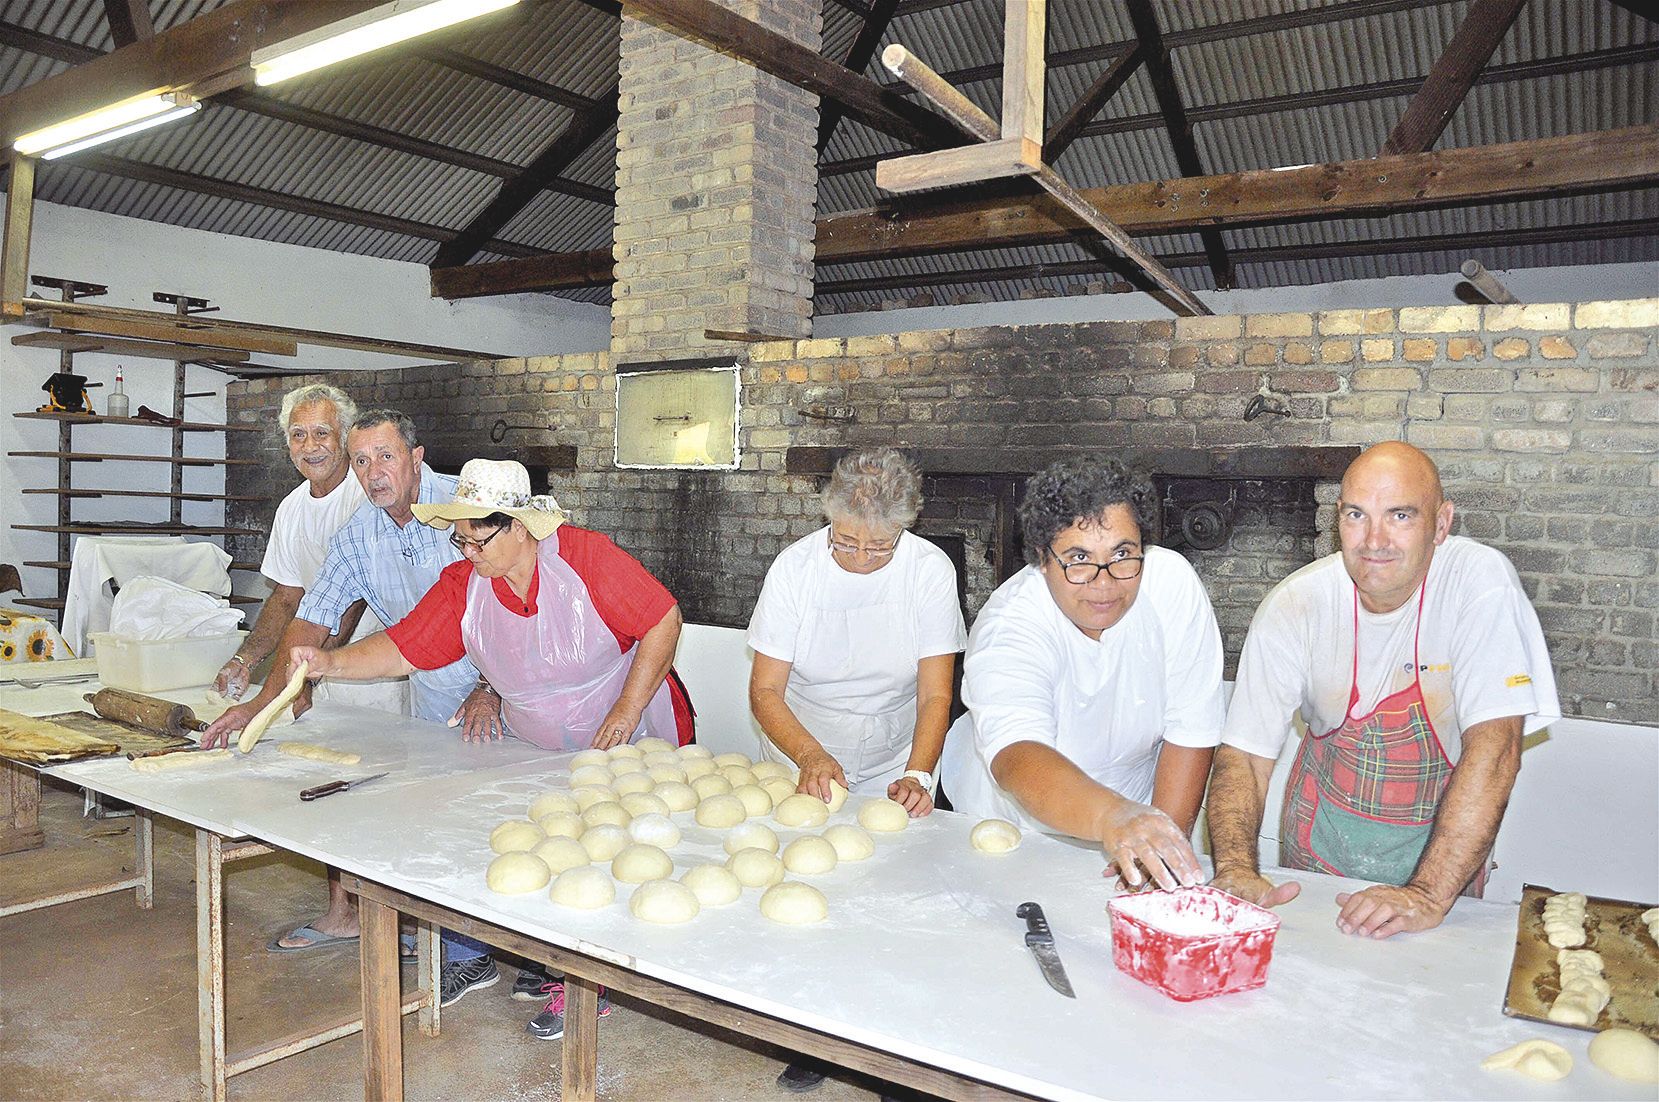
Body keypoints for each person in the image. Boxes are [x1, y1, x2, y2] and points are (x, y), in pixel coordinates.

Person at [280, 457, 693, 1026]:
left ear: (520, 526)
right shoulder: (464, 587)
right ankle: (542, 962)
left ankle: (593, 984)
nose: (466, 553)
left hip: (626, 733)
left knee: (615, 853)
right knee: (548, 850)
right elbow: (406, 648)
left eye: (477, 540)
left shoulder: (585, 558)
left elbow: (663, 619)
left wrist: (626, 709)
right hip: (536, 744)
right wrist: (330, 662)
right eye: (459, 540)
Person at [201, 412, 507, 990]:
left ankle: (536, 965)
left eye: (386, 457)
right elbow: (310, 622)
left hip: (502, 684)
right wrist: (260, 705)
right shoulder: (360, 534)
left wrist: (492, 687)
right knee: (443, 816)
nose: (373, 473)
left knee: (509, 815)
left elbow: (513, 594)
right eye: (361, 461)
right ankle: (468, 953)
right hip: (435, 690)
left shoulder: (464, 507)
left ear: (416, 458)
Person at [1207, 442, 1559, 939]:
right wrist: (1237, 869)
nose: (1375, 539)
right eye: (1357, 515)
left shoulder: (1478, 585)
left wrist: (1428, 895)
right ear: (1337, 520)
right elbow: (1244, 756)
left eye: (1399, 515)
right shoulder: (1297, 605)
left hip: (1440, 869)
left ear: (1441, 523)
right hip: (1318, 855)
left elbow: (1495, 750)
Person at [939, 458, 1224, 892]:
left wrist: (1162, 842)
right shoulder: (1009, 625)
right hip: (1022, 825)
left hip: (1137, 812)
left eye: (1123, 555)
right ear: (1042, 557)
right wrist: (1113, 816)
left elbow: (1192, 731)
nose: (1104, 583)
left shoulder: (1172, 585)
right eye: (1078, 559)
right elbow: (1019, 754)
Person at [748, 447, 966, 817]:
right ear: (830, 518)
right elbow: (765, 690)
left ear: (903, 528)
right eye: (847, 541)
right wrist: (809, 754)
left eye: (881, 546)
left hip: (895, 760)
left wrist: (917, 775)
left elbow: (934, 694)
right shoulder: (794, 570)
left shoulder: (929, 570)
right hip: (799, 755)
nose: (862, 557)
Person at [210, 384, 394, 713]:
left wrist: (303, 679)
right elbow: (286, 598)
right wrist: (246, 659)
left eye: (322, 433)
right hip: (317, 667)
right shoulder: (292, 508)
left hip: (374, 674)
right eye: (298, 435)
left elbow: (355, 601)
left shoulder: (365, 496)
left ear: (345, 436)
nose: (310, 447)